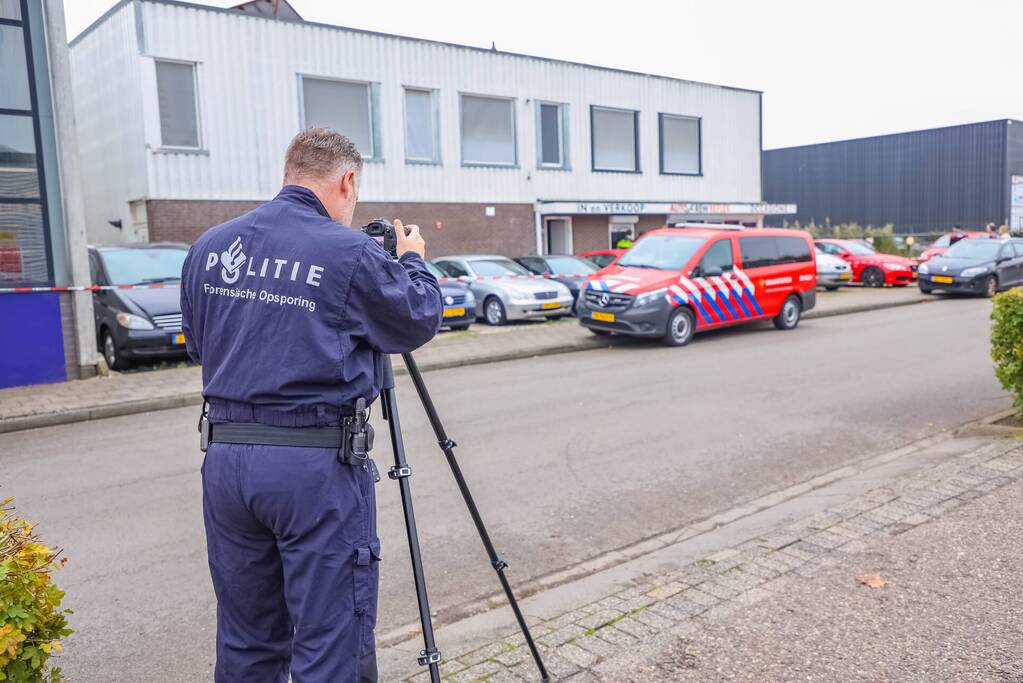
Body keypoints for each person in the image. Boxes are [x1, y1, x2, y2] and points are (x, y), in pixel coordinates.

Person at [180, 128, 442, 682]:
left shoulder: (209, 247)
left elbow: (202, 346)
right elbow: (416, 318)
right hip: (313, 469)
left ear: (290, 171)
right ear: (347, 180)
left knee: (247, 638)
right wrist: (413, 260)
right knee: (330, 643)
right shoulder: (346, 252)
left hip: (226, 462)